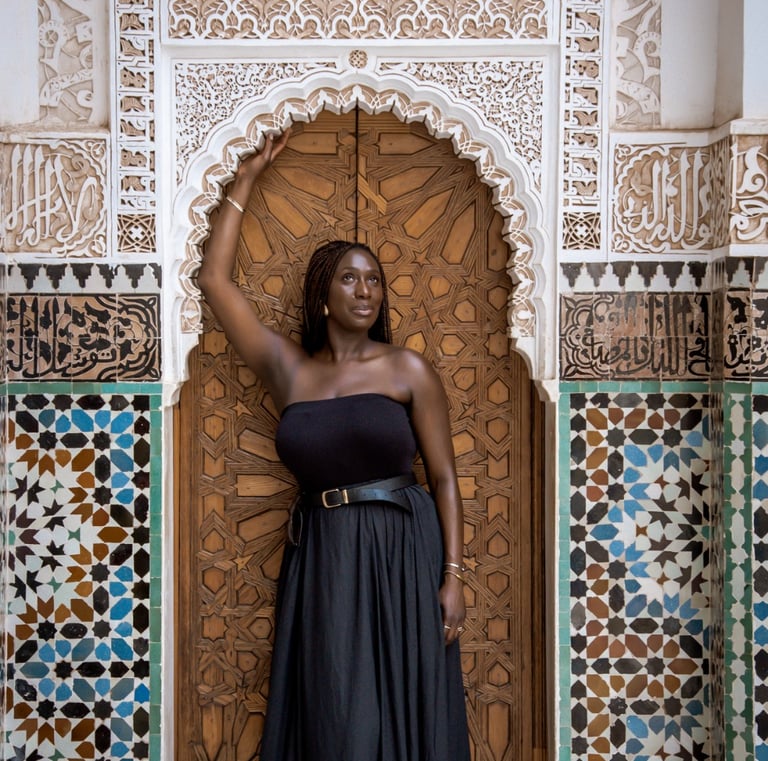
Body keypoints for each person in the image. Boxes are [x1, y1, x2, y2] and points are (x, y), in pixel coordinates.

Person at [197, 129, 471, 761]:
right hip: (324, 554)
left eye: (374, 279)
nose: (365, 290)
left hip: (403, 547)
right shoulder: (290, 370)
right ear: (323, 294)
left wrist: (453, 577)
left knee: (405, 703)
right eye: (349, 279)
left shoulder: (408, 370)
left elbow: (446, 477)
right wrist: (245, 182)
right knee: (337, 707)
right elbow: (215, 282)